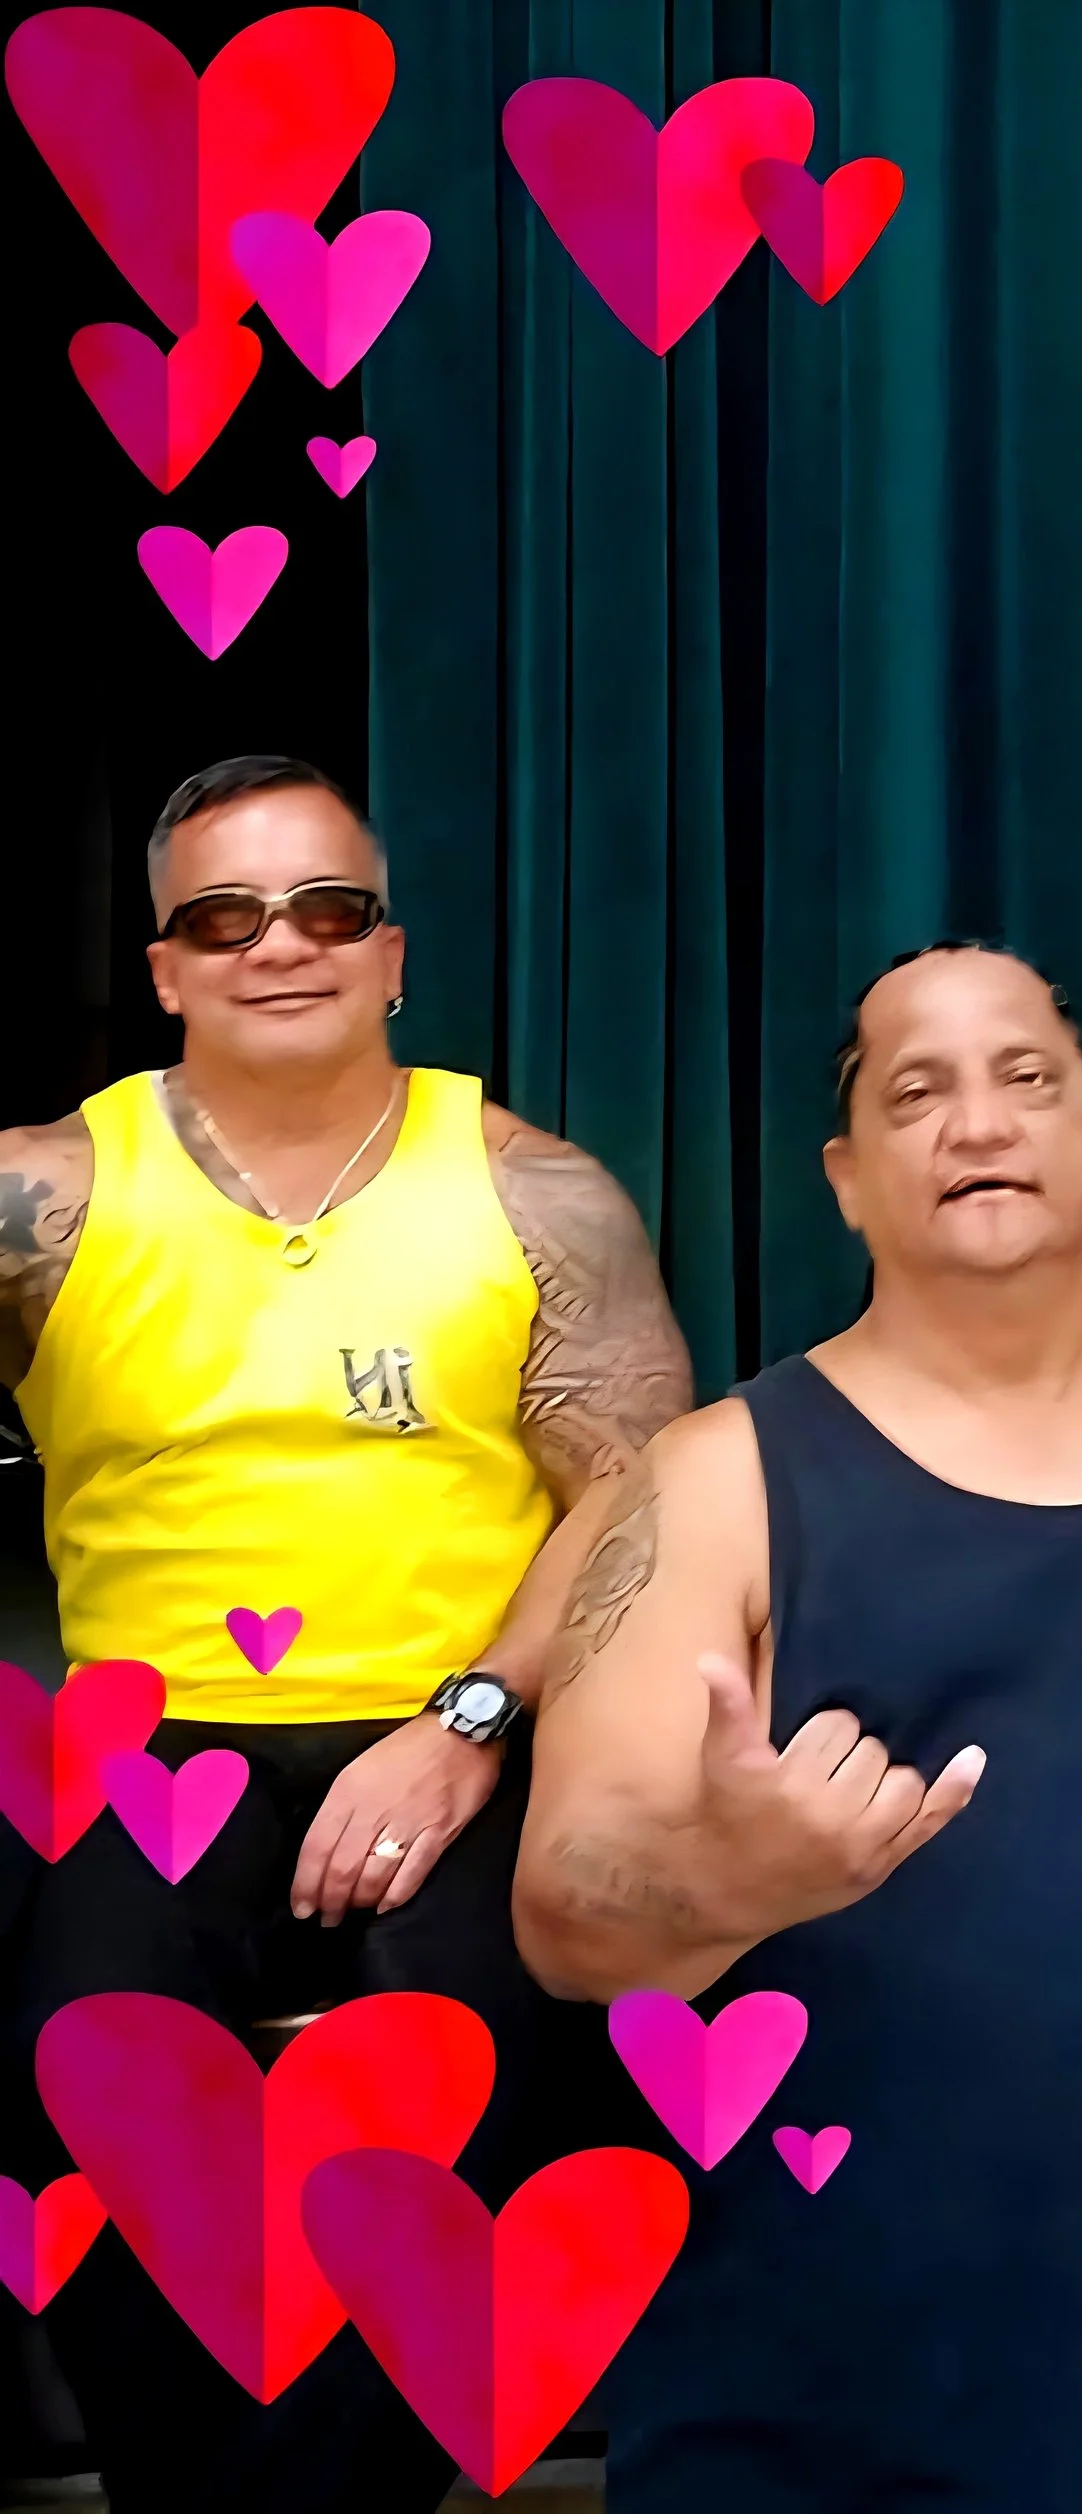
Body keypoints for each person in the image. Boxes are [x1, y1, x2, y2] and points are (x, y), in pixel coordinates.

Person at [513, 939, 1082, 2514]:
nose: (980, 1124)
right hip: (858, 2382)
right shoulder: (711, 1478)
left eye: (1027, 1078)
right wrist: (734, 1875)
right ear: (849, 1177)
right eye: (916, 1091)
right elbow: (563, 1910)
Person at [0, 756, 692, 2514]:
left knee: (458, 2065)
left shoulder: (538, 1191)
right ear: (163, 966)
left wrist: (470, 1721)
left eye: (326, 909)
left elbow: (636, 1492)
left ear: (391, 952)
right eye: (224, 918)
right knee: (84, 2071)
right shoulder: (46, 1195)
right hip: (146, 1749)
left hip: (445, 1730)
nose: (279, 945)